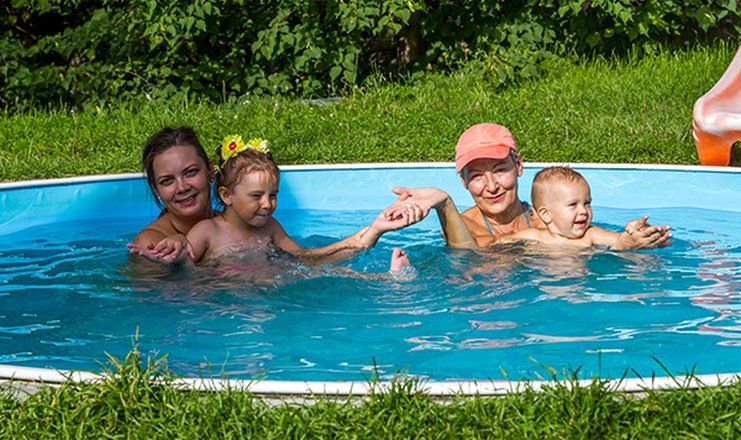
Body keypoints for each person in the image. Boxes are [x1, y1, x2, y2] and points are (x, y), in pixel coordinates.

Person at [387, 122, 672, 250]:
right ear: (464, 182)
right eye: (477, 176)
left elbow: (608, 239)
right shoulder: (464, 229)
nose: (491, 186)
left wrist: (633, 239)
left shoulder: (554, 217)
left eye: (500, 170)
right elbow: (467, 255)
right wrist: (444, 203)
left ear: (519, 166)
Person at [147, 135, 421, 267]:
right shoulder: (207, 231)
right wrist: (178, 246)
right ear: (226, 195)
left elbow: (307, 257)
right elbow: (181, 271)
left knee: (327, 275)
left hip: (274, 290)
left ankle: (386, 282)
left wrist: (374, 230)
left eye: (273, 195)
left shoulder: (270, 227)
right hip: (228, 300)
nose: (267, 204)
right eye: (256, 196)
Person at [498, 166, 672, 248]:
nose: (583, 211)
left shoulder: (590, 235)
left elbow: (619, 240)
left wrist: (636, 237)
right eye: (573, 205)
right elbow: (496, 244)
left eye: (587, 203)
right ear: (546, 214)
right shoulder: (533, 236)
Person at [128, 126, 216, 259]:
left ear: (210, 170)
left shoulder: (233, 224)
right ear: (156, 189)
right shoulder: (151, 243)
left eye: (190, 172)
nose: (182, 187)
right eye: (167, 181)